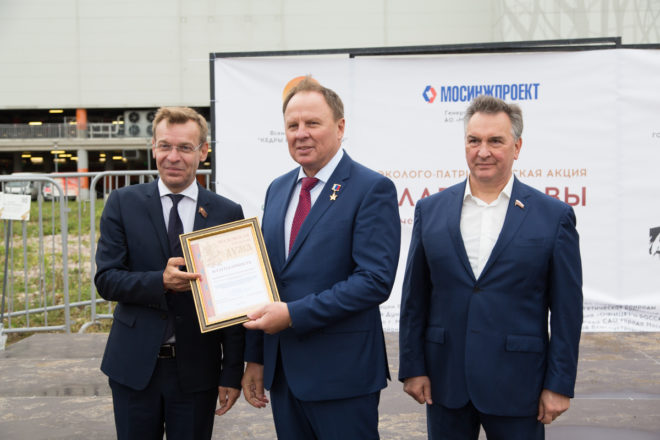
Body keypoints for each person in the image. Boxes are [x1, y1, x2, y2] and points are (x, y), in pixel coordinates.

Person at [399, 95, 583, 439]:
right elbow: (414, 299)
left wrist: (559, 383)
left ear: (517, 147)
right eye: (474, 140)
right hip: (445, 382)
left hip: (520, 384)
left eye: (495, 141)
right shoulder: (430, 210)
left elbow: (567, 311)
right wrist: (412, 367)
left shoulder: (553, 216)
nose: (482, 151)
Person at [241, 76, 401, 439]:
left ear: (340, 127)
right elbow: (267, 278)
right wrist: (256, 357)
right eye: (292, 125)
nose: (301, 134)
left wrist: (293, 314)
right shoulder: (278, 188)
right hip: (284, 374)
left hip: (343, 376)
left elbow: (374, 281)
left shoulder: (371, 189)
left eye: (312, 123)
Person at [95, 106, 245, 440]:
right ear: (153, 147)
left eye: (185, 147)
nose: (173, 157)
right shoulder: (122, 203)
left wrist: (232, 371)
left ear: (203, 152)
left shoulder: (226, 213)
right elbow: (106, 279)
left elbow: (234, 302)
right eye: (165, 146)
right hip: (133, 367)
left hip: (197, 371)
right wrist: (159, 281)